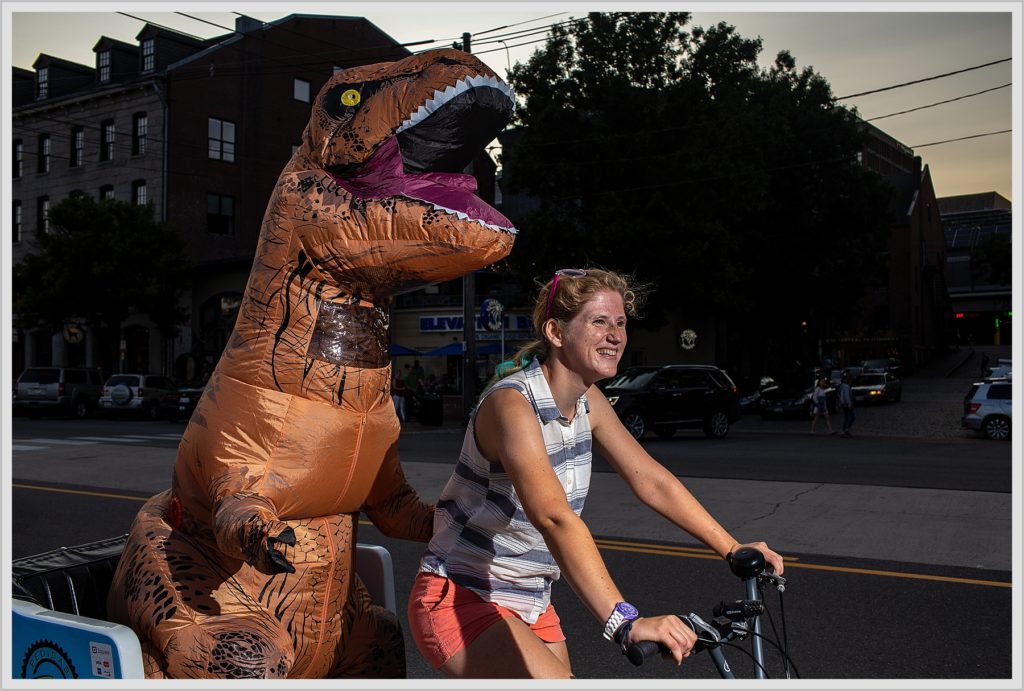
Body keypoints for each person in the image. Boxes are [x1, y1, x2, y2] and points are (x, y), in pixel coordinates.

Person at [407, 268, 784, 679]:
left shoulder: (590, 402)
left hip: (532, 598)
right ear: (555, 332)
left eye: (621, 323)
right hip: (463, 592)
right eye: (599, 321)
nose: (616, 335)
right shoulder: (512, 405)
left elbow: (651, 480)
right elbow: (554, 518)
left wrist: (733, 549)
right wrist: (625, 621)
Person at [838, 373, 855, 438]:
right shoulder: (846, 386)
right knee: (850, 417)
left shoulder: (843, 386)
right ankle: (845, 430)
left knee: (847, 417)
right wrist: (849, 404)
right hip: (847, 404)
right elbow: (846, 396)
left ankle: (845, 430)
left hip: (845, 404)